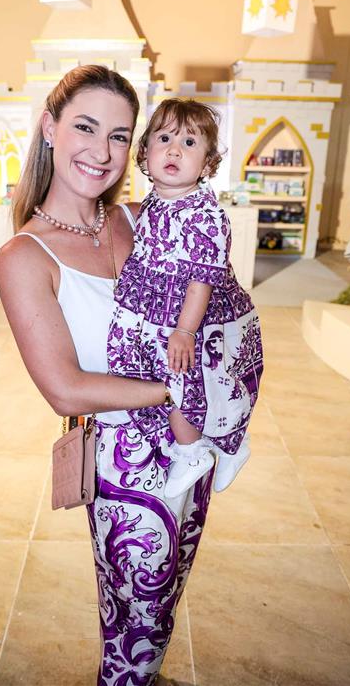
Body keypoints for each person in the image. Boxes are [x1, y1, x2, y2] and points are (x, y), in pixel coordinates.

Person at [0, 65, 230, 685]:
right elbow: (64, 389)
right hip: (127, 466)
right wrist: (183, 390)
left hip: (190, 443)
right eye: (85, 127)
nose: (102, 152)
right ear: (50, 127)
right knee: (135, 620)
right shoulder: (24, 256)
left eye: (120, 136)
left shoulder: (138, 217)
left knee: (166, 599)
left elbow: (206, 283)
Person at [107, 99, 264, 499]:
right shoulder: (154, 202)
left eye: (189, 142)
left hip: (194, 316)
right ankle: (227, 445)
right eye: (164, 139)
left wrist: (185, 331)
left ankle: (195, 452)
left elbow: (200, 282)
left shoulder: (204, 214)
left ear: (207, 164)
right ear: (145, 152)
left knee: (184, 381)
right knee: (161, 379)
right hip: (158, 311)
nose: (174, 150)